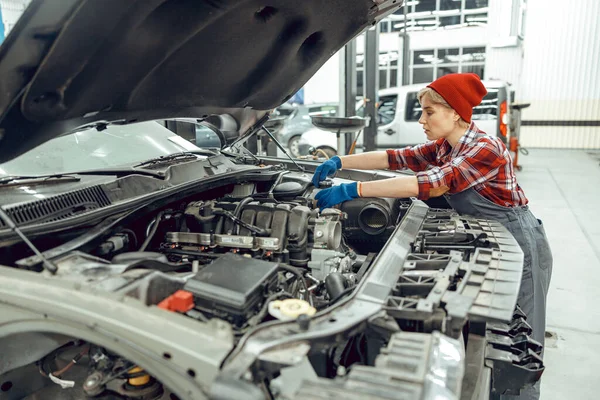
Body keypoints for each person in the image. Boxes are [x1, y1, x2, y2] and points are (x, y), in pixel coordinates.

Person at [312, 73, 552, 400]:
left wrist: (354, 188)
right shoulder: (444, 146)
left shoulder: (485, 148)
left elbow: (431, 184)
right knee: (491, 329)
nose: (421, 119)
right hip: (489, 236)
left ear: (455, 112)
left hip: (519, 241)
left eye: (429, 112)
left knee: (520, 339)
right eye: (421, 111)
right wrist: (340, 162)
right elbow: (395, 158)